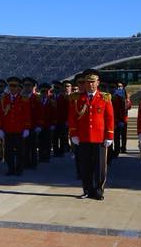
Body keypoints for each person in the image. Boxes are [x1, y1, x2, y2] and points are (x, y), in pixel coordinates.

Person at [67, 69, 113, 200]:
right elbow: (72, 118)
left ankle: (98, 190)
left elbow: (109, 118)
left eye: (93, 82)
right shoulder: (77, 98)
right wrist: (74, 134)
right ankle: (87, 189)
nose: (90, 84)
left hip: (99, 138)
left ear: (98, 83)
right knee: (85, 165)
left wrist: (109, 136)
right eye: (88, 82)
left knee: (100, 166)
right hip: (83, 137)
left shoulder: (104, 97)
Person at [0, 76, 31, 176]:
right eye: (10, 86)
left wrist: (27, 128)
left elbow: (27, 115)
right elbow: (1, 115)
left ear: (18, 87)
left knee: (20, 152)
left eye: (14, 86)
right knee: (8, 152)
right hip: (8, 130)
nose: (12, 88)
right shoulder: (4, 99)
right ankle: (10, 169)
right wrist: (0, 128)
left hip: (19, 130)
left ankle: (19, 169)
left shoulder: (24, 99)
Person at [37, 82, 56, 163]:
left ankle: (47, 156)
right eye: (42, 92)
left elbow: (55, 113)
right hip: (40, 125)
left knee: (48, 141)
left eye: (46, 92)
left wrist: (53, 124)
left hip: (48, 125)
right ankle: (41, 156)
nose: (44, 93)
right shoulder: (37, 101)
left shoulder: (52, 102)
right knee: (40, 141)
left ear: (48, 92)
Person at [111, 81, 131, 155]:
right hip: (116, 119)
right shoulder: (114, 97)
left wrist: (127, 100)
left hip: (124, 119)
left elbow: (129, 107)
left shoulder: (125, 96)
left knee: (123, 135)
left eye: (121, 86)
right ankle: (116, 150)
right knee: (116, 136)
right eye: (118, 86)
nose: (119, 88)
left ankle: (123, 148)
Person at [54, 80, 72, 157]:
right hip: (54, 121)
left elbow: (68, 110)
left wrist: (67, 121)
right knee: (54, 137)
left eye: (57, 87)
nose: (56, 89)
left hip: (62, 120)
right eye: (55, 87)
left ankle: (61, 151)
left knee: (62, 137)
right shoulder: (51, 97)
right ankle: (55, 152)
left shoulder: (65, 98)